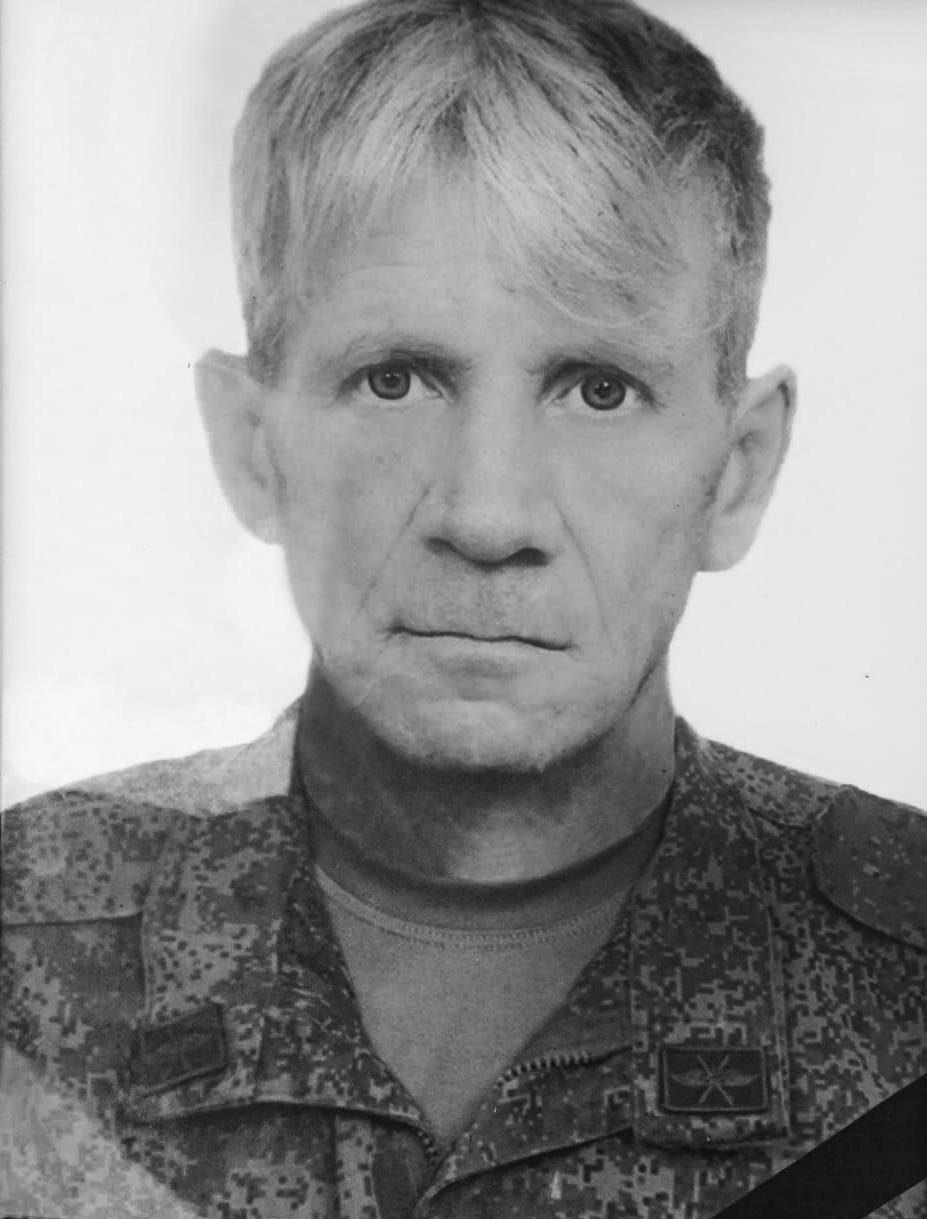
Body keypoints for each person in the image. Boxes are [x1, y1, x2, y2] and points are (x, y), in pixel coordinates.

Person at [2, 0, 924, 1216]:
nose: (488, 516)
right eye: (395, 380)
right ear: (251, 448)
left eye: (599, 389)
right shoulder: (20, 947)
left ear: (738, 471)